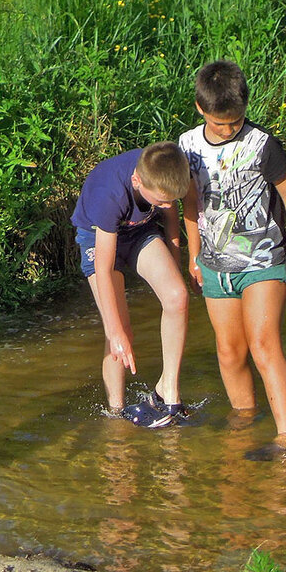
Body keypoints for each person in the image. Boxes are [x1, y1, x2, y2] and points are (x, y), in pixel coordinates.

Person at [180, 60, 286, 445]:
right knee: (228, 352)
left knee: (264, 345)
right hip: (216, 264)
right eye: (221, 123)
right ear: (200, 108)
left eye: (236, 121)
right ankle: (245, 421)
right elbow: (191, 202)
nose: (229, 129)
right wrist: (194, 254)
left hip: (264, 260)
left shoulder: (262, 144)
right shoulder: (187, 146)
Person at [71, 141, 191, 427]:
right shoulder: (110, 194)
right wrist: (115, 333)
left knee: (177, 296)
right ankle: (116, 411)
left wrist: (174, 258)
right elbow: (103, 265)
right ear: (137, 181)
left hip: (139, 232)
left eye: (170, 200)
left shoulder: (163, 173)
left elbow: (170, 213)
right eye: (159, 201)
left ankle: (168, 393)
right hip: (97, 238)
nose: (165, 206)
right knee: (120, 331)